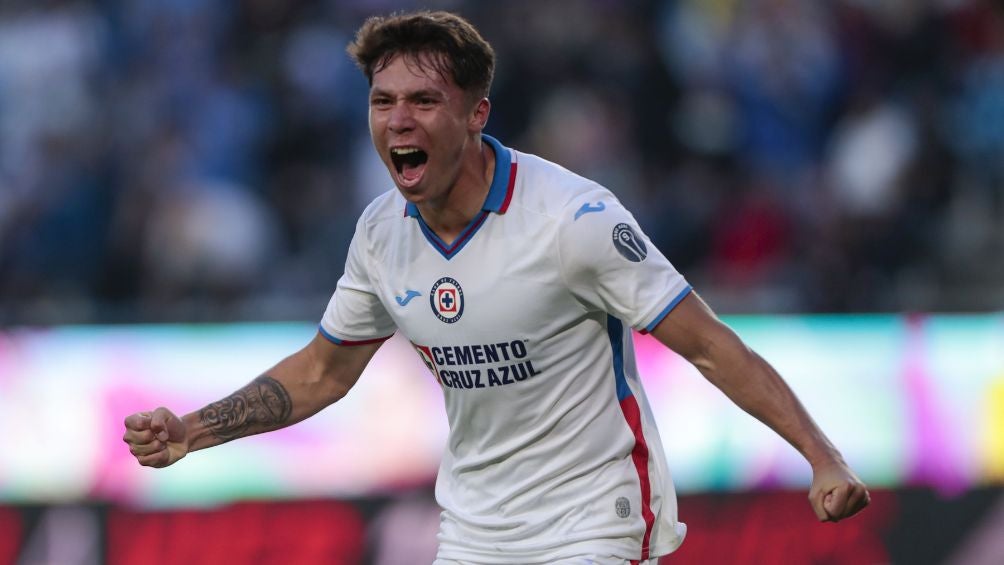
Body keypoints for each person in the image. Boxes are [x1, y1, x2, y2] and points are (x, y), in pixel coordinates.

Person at [122, 10, 869, 564]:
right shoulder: (382, 235)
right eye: (383, 102)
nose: (398, 120)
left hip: (594, 519)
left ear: (476, 114)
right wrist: (194, 430)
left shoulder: (572, 217)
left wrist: (822, 453)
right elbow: (322, 371)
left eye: (422, 101)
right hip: (476, 528)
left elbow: (708, 344)